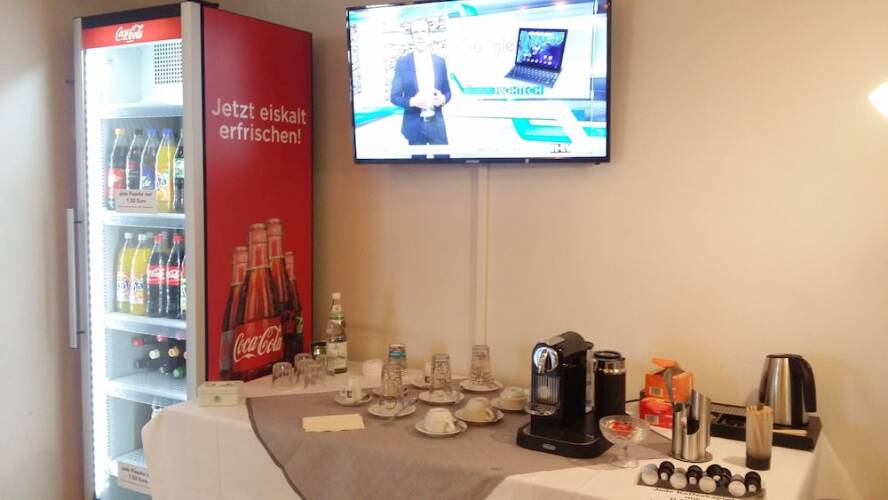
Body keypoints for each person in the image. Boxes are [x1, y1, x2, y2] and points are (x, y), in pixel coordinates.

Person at [390, 18, 452, 150]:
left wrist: (443, 99)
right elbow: (394, 97)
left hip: (437, 126)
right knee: (418, 163)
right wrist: (412, 101)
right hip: (414, 127)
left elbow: (448, 92)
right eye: (416, 32)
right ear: (412, 37)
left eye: (423, 31)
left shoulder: (439, 62)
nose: (420, 36)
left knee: (444, 161)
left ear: (429, 35)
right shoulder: (402, 63)